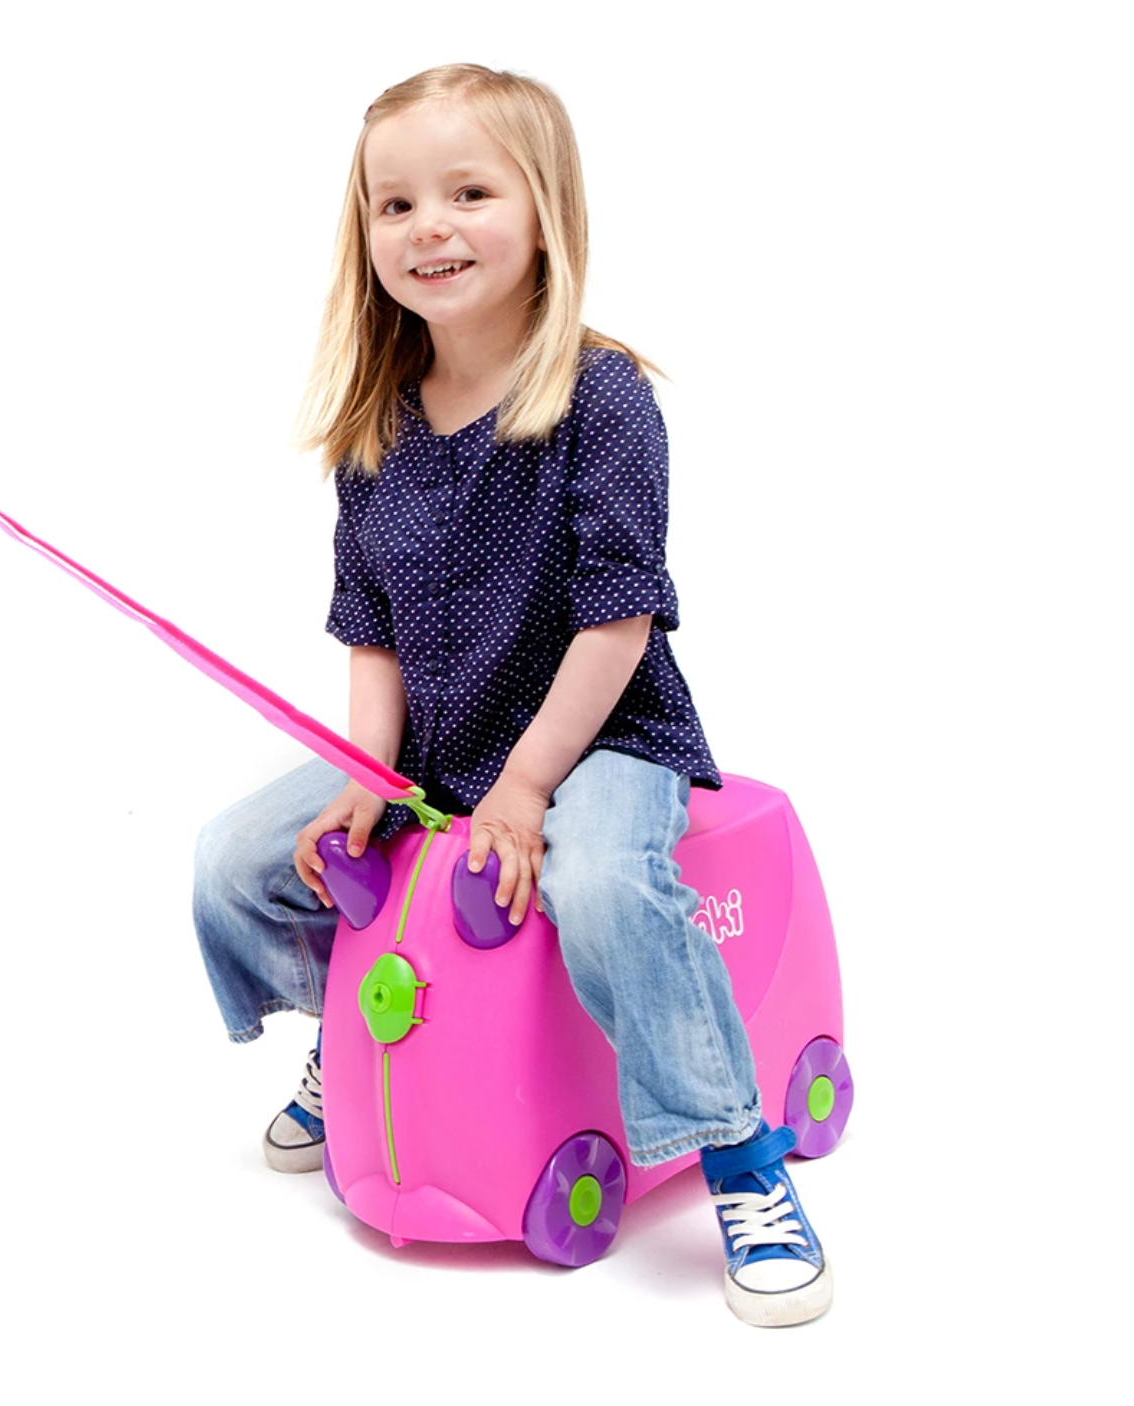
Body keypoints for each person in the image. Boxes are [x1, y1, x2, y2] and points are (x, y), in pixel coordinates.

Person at [192, 63, 831, 1328]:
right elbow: (371, 629)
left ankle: (740, 1156)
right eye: (395, 204)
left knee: (602, 883)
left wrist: (531, 783)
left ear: (543, 212)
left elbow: (617, 617)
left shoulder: (601, 396)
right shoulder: (375, 424)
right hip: (437, 739)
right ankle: (348, 1032)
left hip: (601, 736)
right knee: (233, 859)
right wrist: (370, 781)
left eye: (468, 193)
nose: (427, 226)